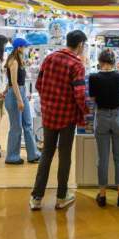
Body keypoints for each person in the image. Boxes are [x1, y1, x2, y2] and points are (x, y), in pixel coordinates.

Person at [31, 30, 89, 210]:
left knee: (46, 154)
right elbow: (79, 94)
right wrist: (86, 112)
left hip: (49, 115)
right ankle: (61, 197)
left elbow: (38, 84)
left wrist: (48, 101)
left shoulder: (50, 58)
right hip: (67, 117)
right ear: (80, 44)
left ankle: (36, 198)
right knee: (65, 156)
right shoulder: (76, 65)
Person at [89, 49, 119, 208]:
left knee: (102, 159)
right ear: (113, 62)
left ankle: (102, 195)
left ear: (100, 61)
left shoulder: (93, 77)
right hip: (118, 116)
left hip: (102, 117)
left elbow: (92, 98)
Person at [4, 37, 41, 165]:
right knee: (16, 127)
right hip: (15, 95)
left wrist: (23, 94)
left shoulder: (19, 60)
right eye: (25, 47)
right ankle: (12, 156)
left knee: (28, 124)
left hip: (20, 92)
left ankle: (33, 154)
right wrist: (20, 100)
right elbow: (13, 82)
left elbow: (12, 81)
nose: (26, 49)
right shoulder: (14, 61)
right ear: (19, 48)